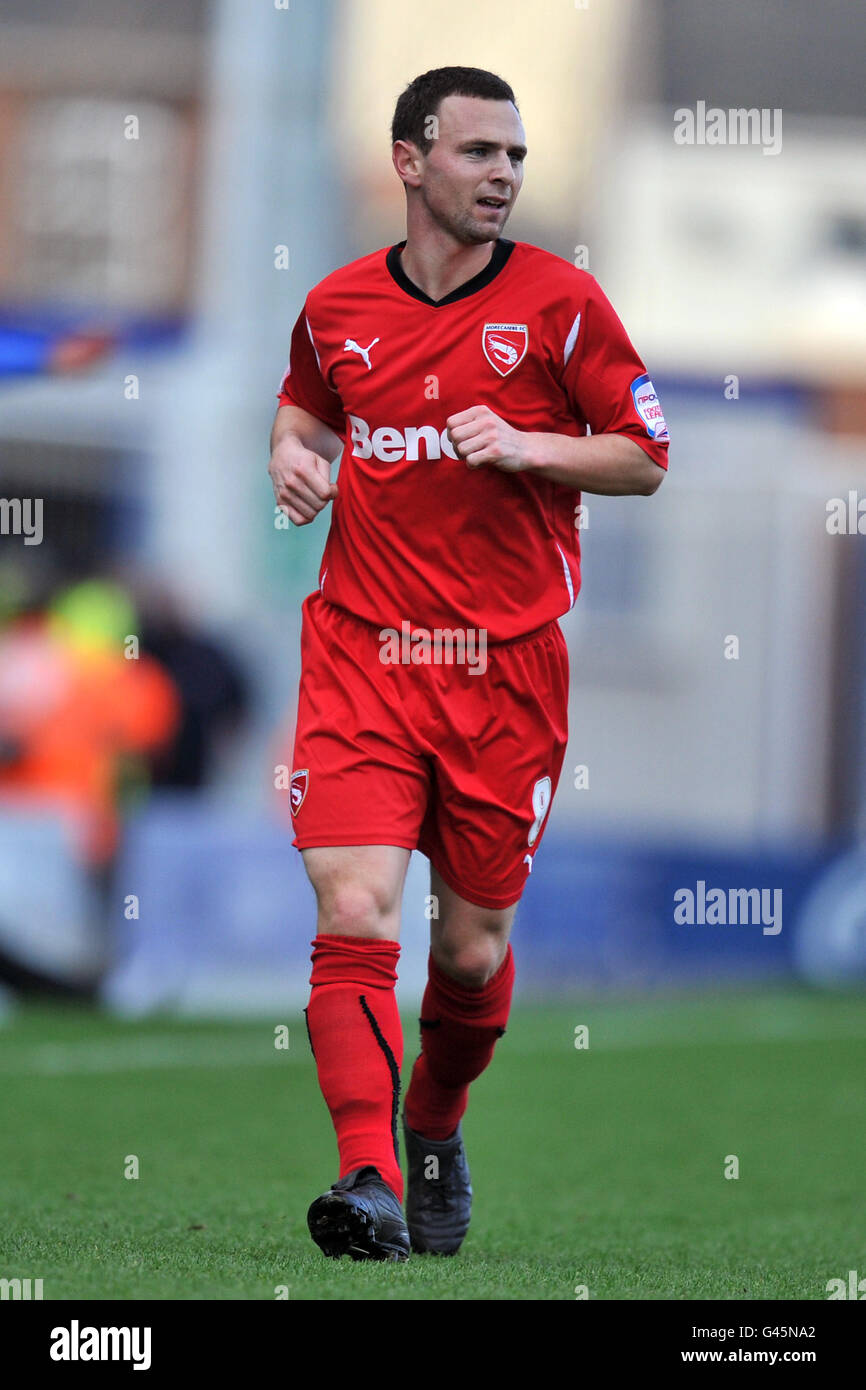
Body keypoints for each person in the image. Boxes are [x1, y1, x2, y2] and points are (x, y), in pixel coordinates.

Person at [268, 66, 669, 1262]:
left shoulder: (559, 305)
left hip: (502, 674)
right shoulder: (336, 305)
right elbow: (301, 411)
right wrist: (289, 459)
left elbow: (644, 456)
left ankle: (433, 1120)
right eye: (477, 153)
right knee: (351, 904)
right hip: (360, 652)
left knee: (469, 947)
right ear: (408, 161)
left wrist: (532, 446)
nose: (501, 176)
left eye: (514, 158)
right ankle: (368, 1176)